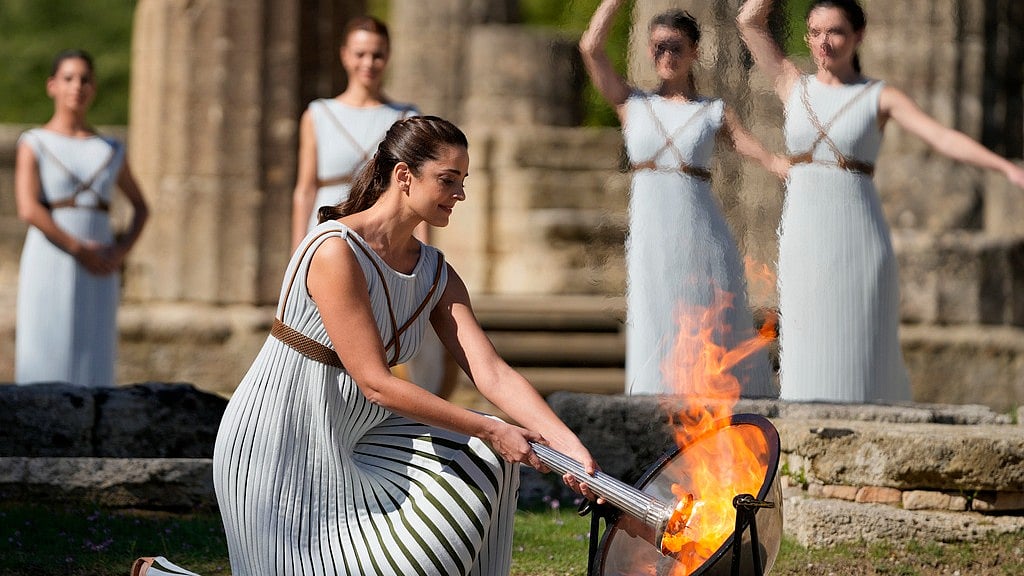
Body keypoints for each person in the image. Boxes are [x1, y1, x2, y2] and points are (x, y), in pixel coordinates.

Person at [131, 116, 598, 576]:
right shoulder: (336, 251)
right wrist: (491, 428)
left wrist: (569, 446)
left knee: (484, 460)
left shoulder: (435, 271)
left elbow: (491, 371)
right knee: (487, 440)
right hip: (280, 440)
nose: (460, 194)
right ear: (403, 177)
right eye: (448, 180)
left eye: (463, 181)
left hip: (360, 439)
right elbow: (375, 383)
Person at [737, 0, 1024, 402]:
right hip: (804, 231)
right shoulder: (791, 85)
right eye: (816, 32)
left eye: (835, 32)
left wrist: (1005, 168)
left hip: (858, 232)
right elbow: (749, 20)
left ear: (858, 36)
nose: (825, 42)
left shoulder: (878, 96)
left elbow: (941, 137)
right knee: (806, 336)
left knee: (858, 343)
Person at [579, 1, 788, 397]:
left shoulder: (713, 111)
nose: (666, 55)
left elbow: (754, 149)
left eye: (675, 46)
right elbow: (591, 47)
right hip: (650, 237)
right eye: (658, 47)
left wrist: (785, 167)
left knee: (708, 319)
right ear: (648, 51)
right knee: (654, 319)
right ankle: (654, 414)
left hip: (701, 234)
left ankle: (721, 410)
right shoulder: (632, 104)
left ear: (693, 52)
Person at [292, 15, 452, 398]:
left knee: (385, 327)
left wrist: (425, 251)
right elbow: (304, 188)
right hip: (330, 226)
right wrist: (299, 250)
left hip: (385, 234)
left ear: (388, 57)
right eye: (360, 54)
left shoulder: (405, 116)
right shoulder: (318, 113)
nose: (369, 63)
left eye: (377, 55)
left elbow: (420, 191)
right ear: (345, 56)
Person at [13, 49, 148, 387]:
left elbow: (141, 207)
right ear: (52, 86)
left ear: (94, 88)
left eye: (85, 79)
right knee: (45, 344)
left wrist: (120, 252)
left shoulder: (110, 149)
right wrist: (77, 248)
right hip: (51, 257)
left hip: (100, 262)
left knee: (94, 347)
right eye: (69, 78)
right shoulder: (35, 142)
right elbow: (28, 208)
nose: (77, 87)